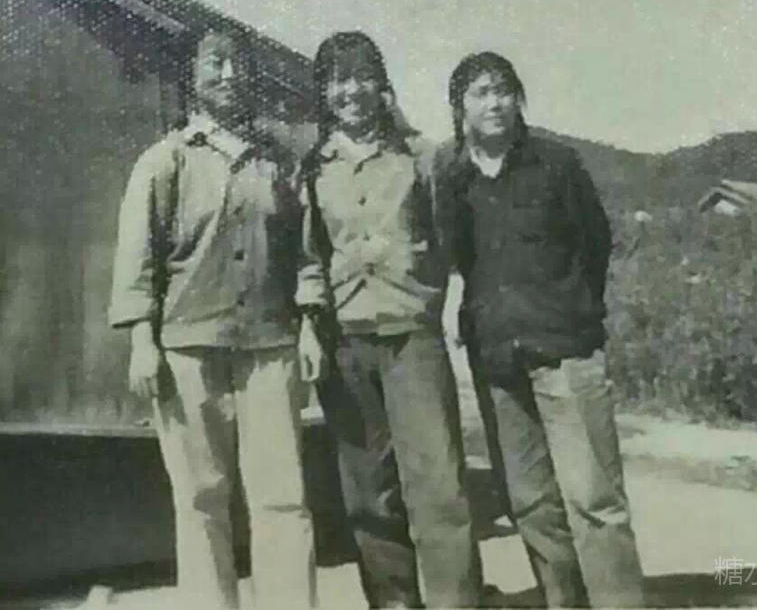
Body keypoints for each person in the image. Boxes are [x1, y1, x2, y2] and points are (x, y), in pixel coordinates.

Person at [108, 30, 315, 610]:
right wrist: (142, 342)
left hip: (270, 347)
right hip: (188, 351)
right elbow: (137, 259)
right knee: (201, 498)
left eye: (238, 63)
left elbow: (307, 255)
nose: (228, 74)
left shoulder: (279, 161)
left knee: (282, 496)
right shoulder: (165, 160)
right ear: (192, 75)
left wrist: (310, 325)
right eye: (215, 63)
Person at [435, 51, 645, 608]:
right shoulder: (453, 181)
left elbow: (595, 244)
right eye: (480, 93)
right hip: (497, 360)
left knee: (593, 499)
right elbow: (456, 261)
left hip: (566, 351)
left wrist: (572, 312)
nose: (494, 103)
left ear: (518, 98)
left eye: (503, 90)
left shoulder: (557, 164)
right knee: (529, 501)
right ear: (460, 107)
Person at [295, 31, 481, 608]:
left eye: (361, 77)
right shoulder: (314, 167)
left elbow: (455, 240)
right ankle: (395, 602)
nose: (350, 91)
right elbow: (309, 257)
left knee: (438, 486)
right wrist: (310, 323)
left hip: (412, 337)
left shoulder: (423, 157)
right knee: (368, 493)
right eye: (337, 80)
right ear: (324, 92)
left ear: (381, 85)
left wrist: (447, 297)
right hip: (346, 343)